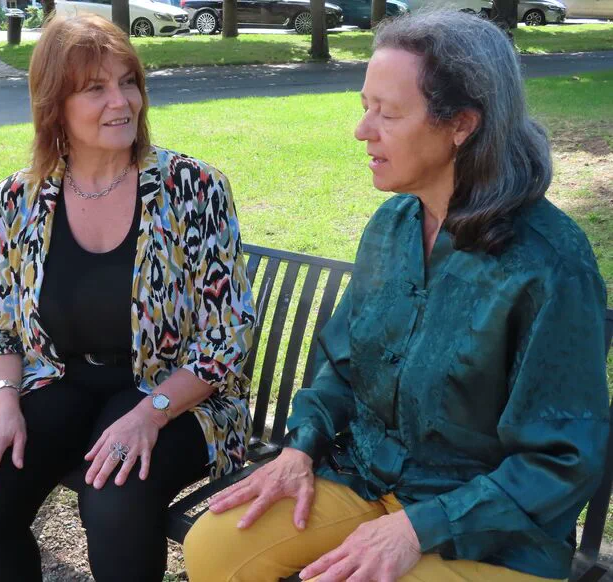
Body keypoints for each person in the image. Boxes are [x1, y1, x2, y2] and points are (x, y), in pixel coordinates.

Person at [183, 10, 609, 582]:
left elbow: (563, 458)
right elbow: (341, 361)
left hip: (492, 533)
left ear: (461, 124)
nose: (363, 129)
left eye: (388, 113)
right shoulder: (392, 225)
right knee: (215, 548)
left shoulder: (550, 263)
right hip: (368, 481)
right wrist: (300, 447)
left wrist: (417, 528)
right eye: (366, 106)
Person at [0, 14, 256, 582]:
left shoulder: (193, 188)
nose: (122, 102)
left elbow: (229, 334)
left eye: (129, 81)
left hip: (176, 393)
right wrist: (2, 404)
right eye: (96, 88)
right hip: (59, 381)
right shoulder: (20, 198)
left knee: (115, 495)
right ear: (54, 104)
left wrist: (150, 413)